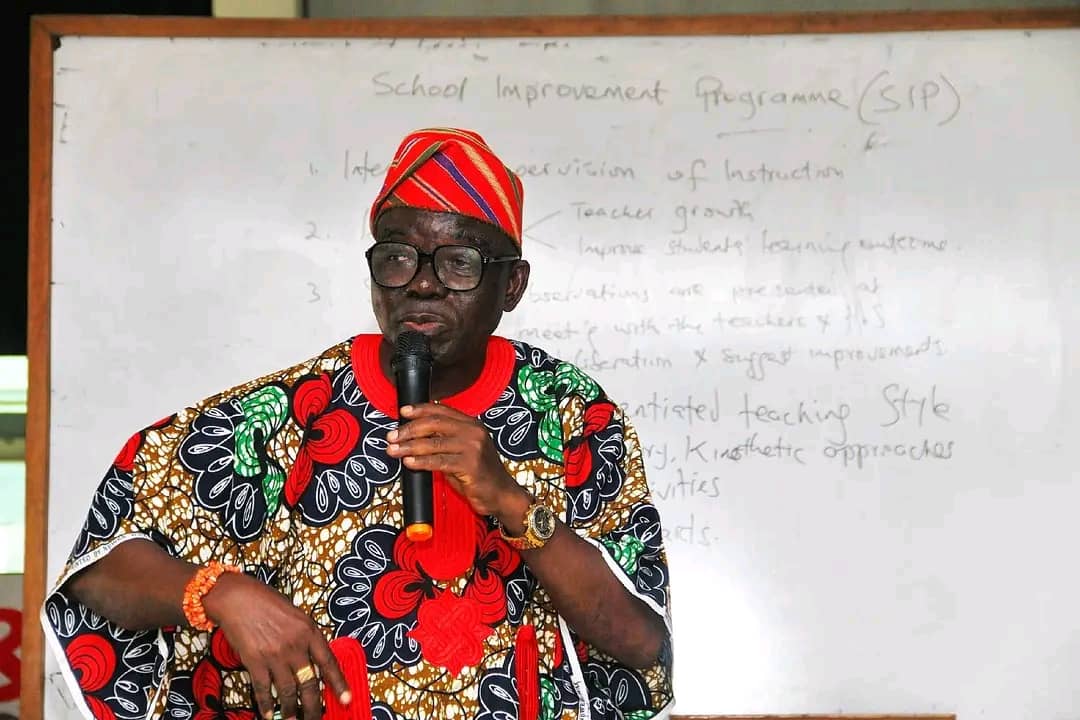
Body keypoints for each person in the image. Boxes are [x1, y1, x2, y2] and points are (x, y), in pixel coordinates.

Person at [43, 128, 674, 720]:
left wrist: (510, 501)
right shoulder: (291, 411)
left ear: (512, 285)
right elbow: (100, 571)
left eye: (459, 263)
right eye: (398, 258)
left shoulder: (573, 413)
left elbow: (640, 642)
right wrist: (219, 592)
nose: (422, 285)